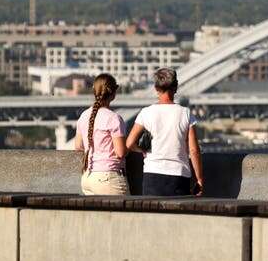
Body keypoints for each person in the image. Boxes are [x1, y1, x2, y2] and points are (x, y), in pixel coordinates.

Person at [126, 67, 204, 196]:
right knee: (177, 215)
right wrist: (199, 179)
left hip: (152, 174)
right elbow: (194, 150)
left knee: (152, 215)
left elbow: (129, 144)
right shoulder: (185, 113)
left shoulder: (146, 112)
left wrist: (143, 150)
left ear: (156, 89)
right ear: (176, 87)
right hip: (179, 175)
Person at [75, 73, 129, 195]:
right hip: (108, 178)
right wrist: (129, 147)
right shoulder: (114, 118)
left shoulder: (84, 116)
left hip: (87, 177)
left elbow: (78, 146)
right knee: (123, 214)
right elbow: (120, 152)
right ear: (113, 93)